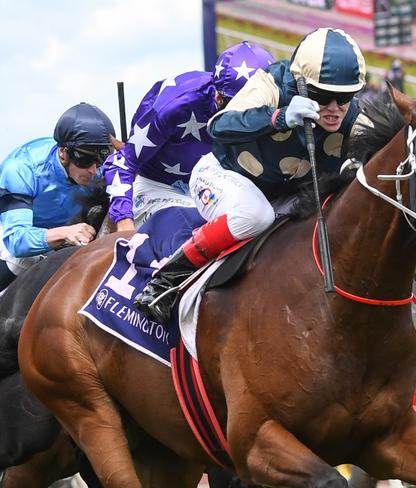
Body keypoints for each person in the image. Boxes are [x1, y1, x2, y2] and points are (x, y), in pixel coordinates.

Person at [135, 27, 366, 322]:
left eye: (344, 98)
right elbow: (219, 126)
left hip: (285, 195)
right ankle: (166, 280)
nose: (334, 109)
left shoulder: (354, 117)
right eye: (323, 96)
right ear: (301, 84)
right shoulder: (271, 83)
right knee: (255, 215)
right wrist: (278, 116)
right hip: (223, 176)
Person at [103, 41, 275, 231]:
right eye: (239, 110)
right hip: (158, 187)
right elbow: (122, 162)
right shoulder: (177, 105)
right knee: (197, 224)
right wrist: (124, 222)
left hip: (215, 184)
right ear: (219, 98)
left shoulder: (273, 103)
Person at [0, 102, 115, 291]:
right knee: (21, 260)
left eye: (100, 160)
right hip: (11, 232)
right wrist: (65, 232)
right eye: (85, 159)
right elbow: (17, 241)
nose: (94, 170)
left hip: (64, 233)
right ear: (63, 152)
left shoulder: (98, 170)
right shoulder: (21, 169)